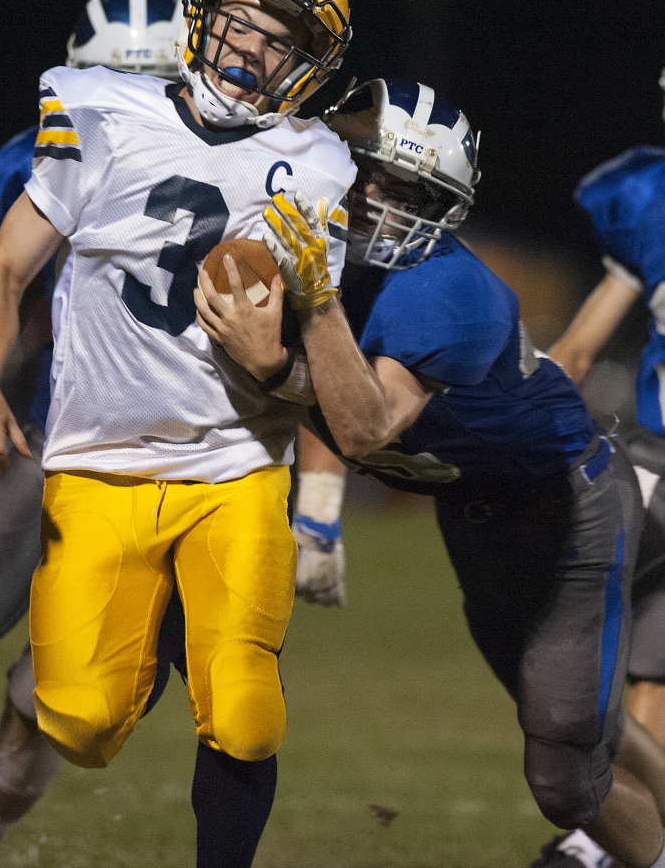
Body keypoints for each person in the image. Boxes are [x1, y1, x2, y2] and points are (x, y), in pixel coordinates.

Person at [0, 0, 355, 868]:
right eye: (244, 21)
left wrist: (279, 369)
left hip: (234, 464)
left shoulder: (320, 166)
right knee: (81, 726)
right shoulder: (95, 108)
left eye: (282, 37)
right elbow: (4, 269)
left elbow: (320, 359)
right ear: (203, 13)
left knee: (247, 711)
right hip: (98, 462)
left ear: (309, 65)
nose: (253, 49)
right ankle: (167, 631)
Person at [195, 77, 665, 868]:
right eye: (368, 173)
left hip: (568, 517)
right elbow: (327, 393)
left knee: (564, 778)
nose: (378, 197)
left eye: (407, 185)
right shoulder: (327, 263)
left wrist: (282, 356)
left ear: (444, 202)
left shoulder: (446, 289)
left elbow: (360, 421)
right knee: (590, 728)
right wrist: (314, 510)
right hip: (477, 518)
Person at [0, 0, 187, 868]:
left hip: (182, 478)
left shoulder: (250, 167)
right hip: (61, 448)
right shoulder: (39, 159)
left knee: (46, 696)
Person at [527, 70, 665, 868]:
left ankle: (604, 837)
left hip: (650, 469)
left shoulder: (646, 193)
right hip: (652, 464)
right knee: (627, 667)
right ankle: (610, 832)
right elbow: (576, 350)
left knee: (597, 661)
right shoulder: (647, 198)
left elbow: (578, 350)